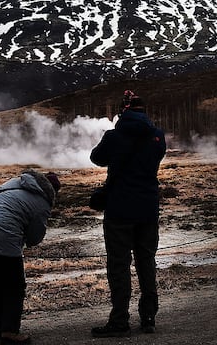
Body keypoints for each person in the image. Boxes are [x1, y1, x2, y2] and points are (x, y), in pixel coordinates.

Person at [90, 90, 166, 337]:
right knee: (147, 262)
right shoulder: (157, 136)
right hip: (147, 209)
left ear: (124, 111)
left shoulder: (115, 136)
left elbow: (97, 158)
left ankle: (120, 320)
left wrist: (114, 133)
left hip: (119, 209)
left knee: (119, 266)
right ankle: (148, 318)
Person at [0, 170, 61, 345]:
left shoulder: (16, 182)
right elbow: (35, 238)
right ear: (53, 191)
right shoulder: (42, 202)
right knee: (15, 286)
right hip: (0, 239)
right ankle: (9, 332)